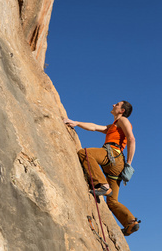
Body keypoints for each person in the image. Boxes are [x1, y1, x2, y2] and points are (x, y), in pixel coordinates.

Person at [64, 101, 140, 236]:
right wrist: (76, 123)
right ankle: (130, 223)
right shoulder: (113, 126)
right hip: (116, 165)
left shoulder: (123, 120)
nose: (113, 105)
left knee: (85, 153)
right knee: (112, 201)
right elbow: (94, 127)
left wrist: (129, 162)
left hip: (113, 155)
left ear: (122, 110)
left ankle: (103, 185)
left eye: (117, 104)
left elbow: (131, 139)